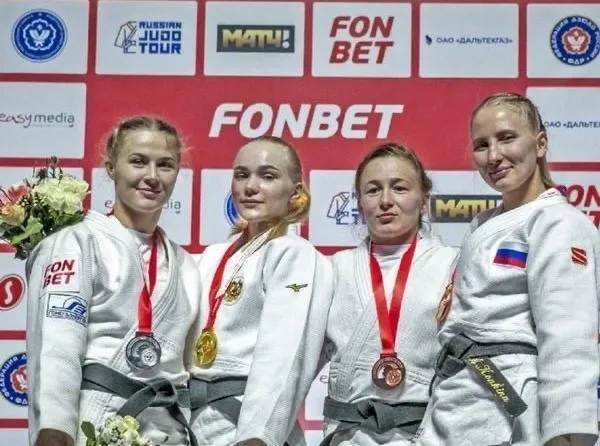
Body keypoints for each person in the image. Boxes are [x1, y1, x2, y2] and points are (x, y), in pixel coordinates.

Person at [414, 92, 600, 446]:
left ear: (540, 143)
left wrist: (566, 434)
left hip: (509, 403)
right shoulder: (483, 224)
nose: (494, 156)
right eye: (481, 145)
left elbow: (568, 339)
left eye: (506, 138)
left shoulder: (559, 223)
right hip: (455, 400)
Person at [26, 116, 202, 446]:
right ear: (111, 168)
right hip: (96, 423)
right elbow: (57, 349)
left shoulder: (186, 265)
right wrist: (54, 430)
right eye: (138, 161)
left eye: (165, 165)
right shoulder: (77, 242)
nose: (152, 176)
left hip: (169, 433)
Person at [187, 136, 334, 446]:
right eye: (242, 175)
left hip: (245, 425)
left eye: (267, 176)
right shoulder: (212, 256)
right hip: (193, 422)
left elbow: (284, 358)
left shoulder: (294, 253)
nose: (250, 187)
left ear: (295, 191)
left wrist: (258, 437)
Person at [321, 143, 459, 445]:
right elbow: (296, 362)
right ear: (360, 204)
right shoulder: (334, 269)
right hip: (348, 436)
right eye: (373, 190)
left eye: (399, 188)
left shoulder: (452, 265)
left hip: (424, 435)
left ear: (424, 200)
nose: (385, 201)